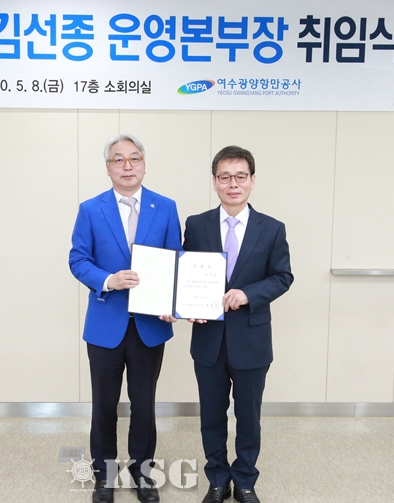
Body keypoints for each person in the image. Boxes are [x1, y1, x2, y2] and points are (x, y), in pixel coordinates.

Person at [69, 134, 182, 503]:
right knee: (103, 405)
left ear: (144, 164)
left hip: (150, 325)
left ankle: (142, 474)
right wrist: (108, 280)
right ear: (108, 168)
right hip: (106, 324)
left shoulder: (165, 207)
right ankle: (104, 476)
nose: (127, 166)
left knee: (144, 405)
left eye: (134, 158)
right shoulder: (91, 209)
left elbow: (176, 260)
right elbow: (78, 259)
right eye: (119, 159)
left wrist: (173, 302)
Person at [183, 146, 293, 503]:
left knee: (248, 418)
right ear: (215, 181)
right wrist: (185, 305)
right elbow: (185, 274)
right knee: (212, 417)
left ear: (252, 180)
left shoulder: (272, 228)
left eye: (240, 177)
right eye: (225, 177)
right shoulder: (196, 225)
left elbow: (282, 277)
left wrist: (248, 294)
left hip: (252, 340)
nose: (233, 184)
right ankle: (217, 479)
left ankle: (245, 479)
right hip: (208, 340)